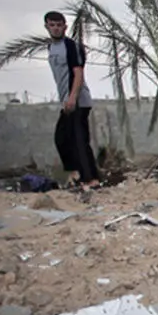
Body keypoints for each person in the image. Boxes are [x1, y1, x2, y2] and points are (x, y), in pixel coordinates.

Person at [44, 11, 100, 190]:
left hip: (78, 101)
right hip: (67, 101)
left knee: (79, 140)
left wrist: (72, 98)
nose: (56, 28)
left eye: (59, 25)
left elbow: (78, 73)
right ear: (47, 27)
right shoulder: (51, 48)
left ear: (64, 27)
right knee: (61, 138)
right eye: (52, 25)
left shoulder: (71, 46)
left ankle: (91, 179)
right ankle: (78, 173)